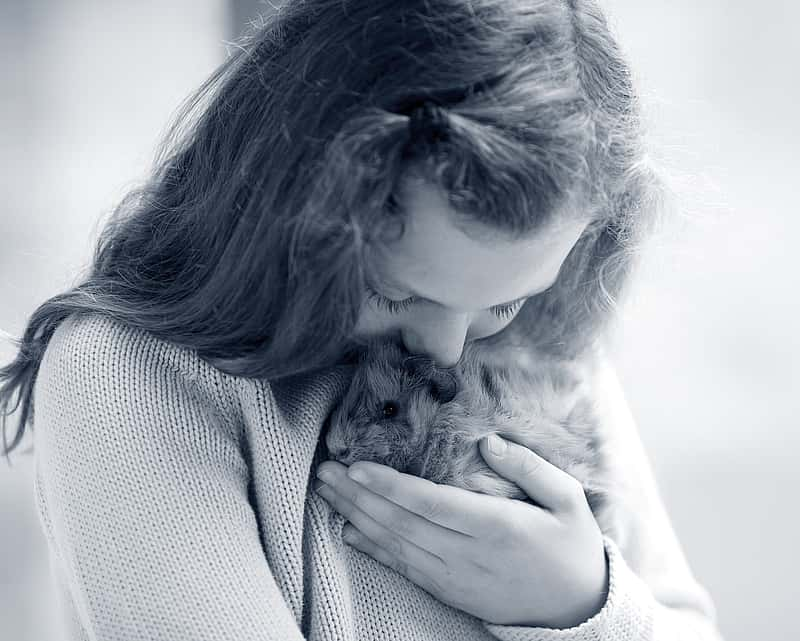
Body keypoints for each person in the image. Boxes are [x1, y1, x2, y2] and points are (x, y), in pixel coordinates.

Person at [0, 1, 726, 639]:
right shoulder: (129, 374)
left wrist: (581, 604)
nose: (446, 351)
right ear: (293, 215)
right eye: (396, 293)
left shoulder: (544, 348)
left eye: (505, 301)